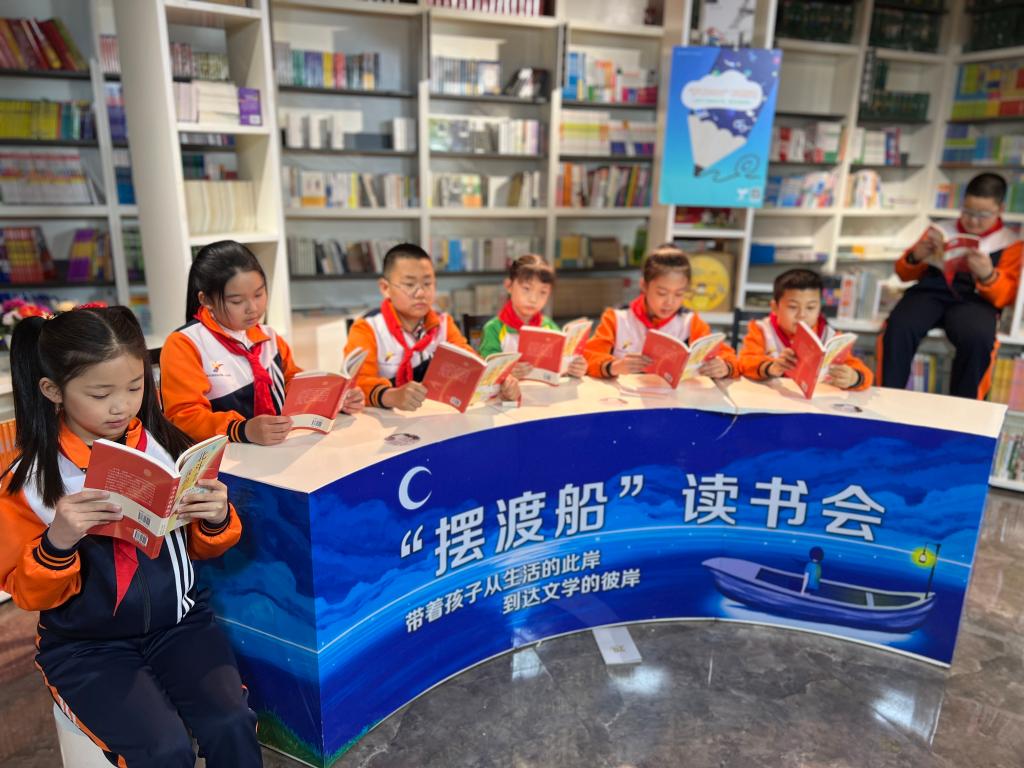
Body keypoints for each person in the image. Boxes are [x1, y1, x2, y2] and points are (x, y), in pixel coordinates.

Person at [0, 306, 261, 767]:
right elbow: (25, 591)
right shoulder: (29, 480)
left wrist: (217, 517)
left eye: (136, 387)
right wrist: (57, 542)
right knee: (165, 750)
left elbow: (203, 548)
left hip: (180, 625)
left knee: (231, 723)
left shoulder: (168, 446)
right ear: (52, 390)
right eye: (100, 394)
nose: (121, 406)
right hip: (86, 646)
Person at [161, 240, 364, 446]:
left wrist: (335, 399)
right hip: (229, 457)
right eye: (237, 301)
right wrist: (242, 430)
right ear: (206, 300)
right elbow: (183, 417)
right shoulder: (185, 344)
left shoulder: (268, 337)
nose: (253, 308)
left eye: (259, 294)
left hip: (278, 450)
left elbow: (294, 385)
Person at [879, 173, 1023, 399]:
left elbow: (1007, 297)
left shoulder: (1011, 243)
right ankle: (886, 397)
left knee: (978, 338)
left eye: (983, 215)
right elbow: (902, 274)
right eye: (967, 211)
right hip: (930, 292)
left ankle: (966, 409)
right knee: (899, 326)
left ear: (1000, 209)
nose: (973, 221)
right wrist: (916, 257)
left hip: (975, 301)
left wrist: (988, 275)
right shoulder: (940, 230)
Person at [345, 242, 520, 410]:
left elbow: (471, 363)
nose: (421, 293)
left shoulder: (444, 324)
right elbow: (357, 383)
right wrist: (392, 396)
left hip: (435, 417)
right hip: (384, 423)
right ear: (385, 288)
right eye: (409, 284)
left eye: (427, 284)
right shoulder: (367, 328)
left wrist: (500, 382)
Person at [582, 245, 738, 379]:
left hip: (675, 400)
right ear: (644, 285)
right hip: (624, 399)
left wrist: (725, 367)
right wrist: (612, 367)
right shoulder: (616, 319)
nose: (670, 302)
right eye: (662, 293)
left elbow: (730, 358)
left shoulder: (690, 322)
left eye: (679, 294)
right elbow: (589, 357)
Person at [738, 268, 873, 390]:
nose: (802, 315)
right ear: (774, 307)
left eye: (810, 307)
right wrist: (770, 367)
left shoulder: (831, 337)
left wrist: (854, 378)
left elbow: (865, 373)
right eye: (793, 307)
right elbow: (745, 362)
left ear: (820, 308)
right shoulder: (762, 330)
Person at [478, 253, 587, 379]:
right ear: (509, 286)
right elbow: (485, 374)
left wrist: (573, 368)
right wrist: (506, 372)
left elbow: (560, 367)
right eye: (526, 288)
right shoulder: (493, 329)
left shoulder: (549, 327)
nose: (533, 299)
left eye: (543, 292)